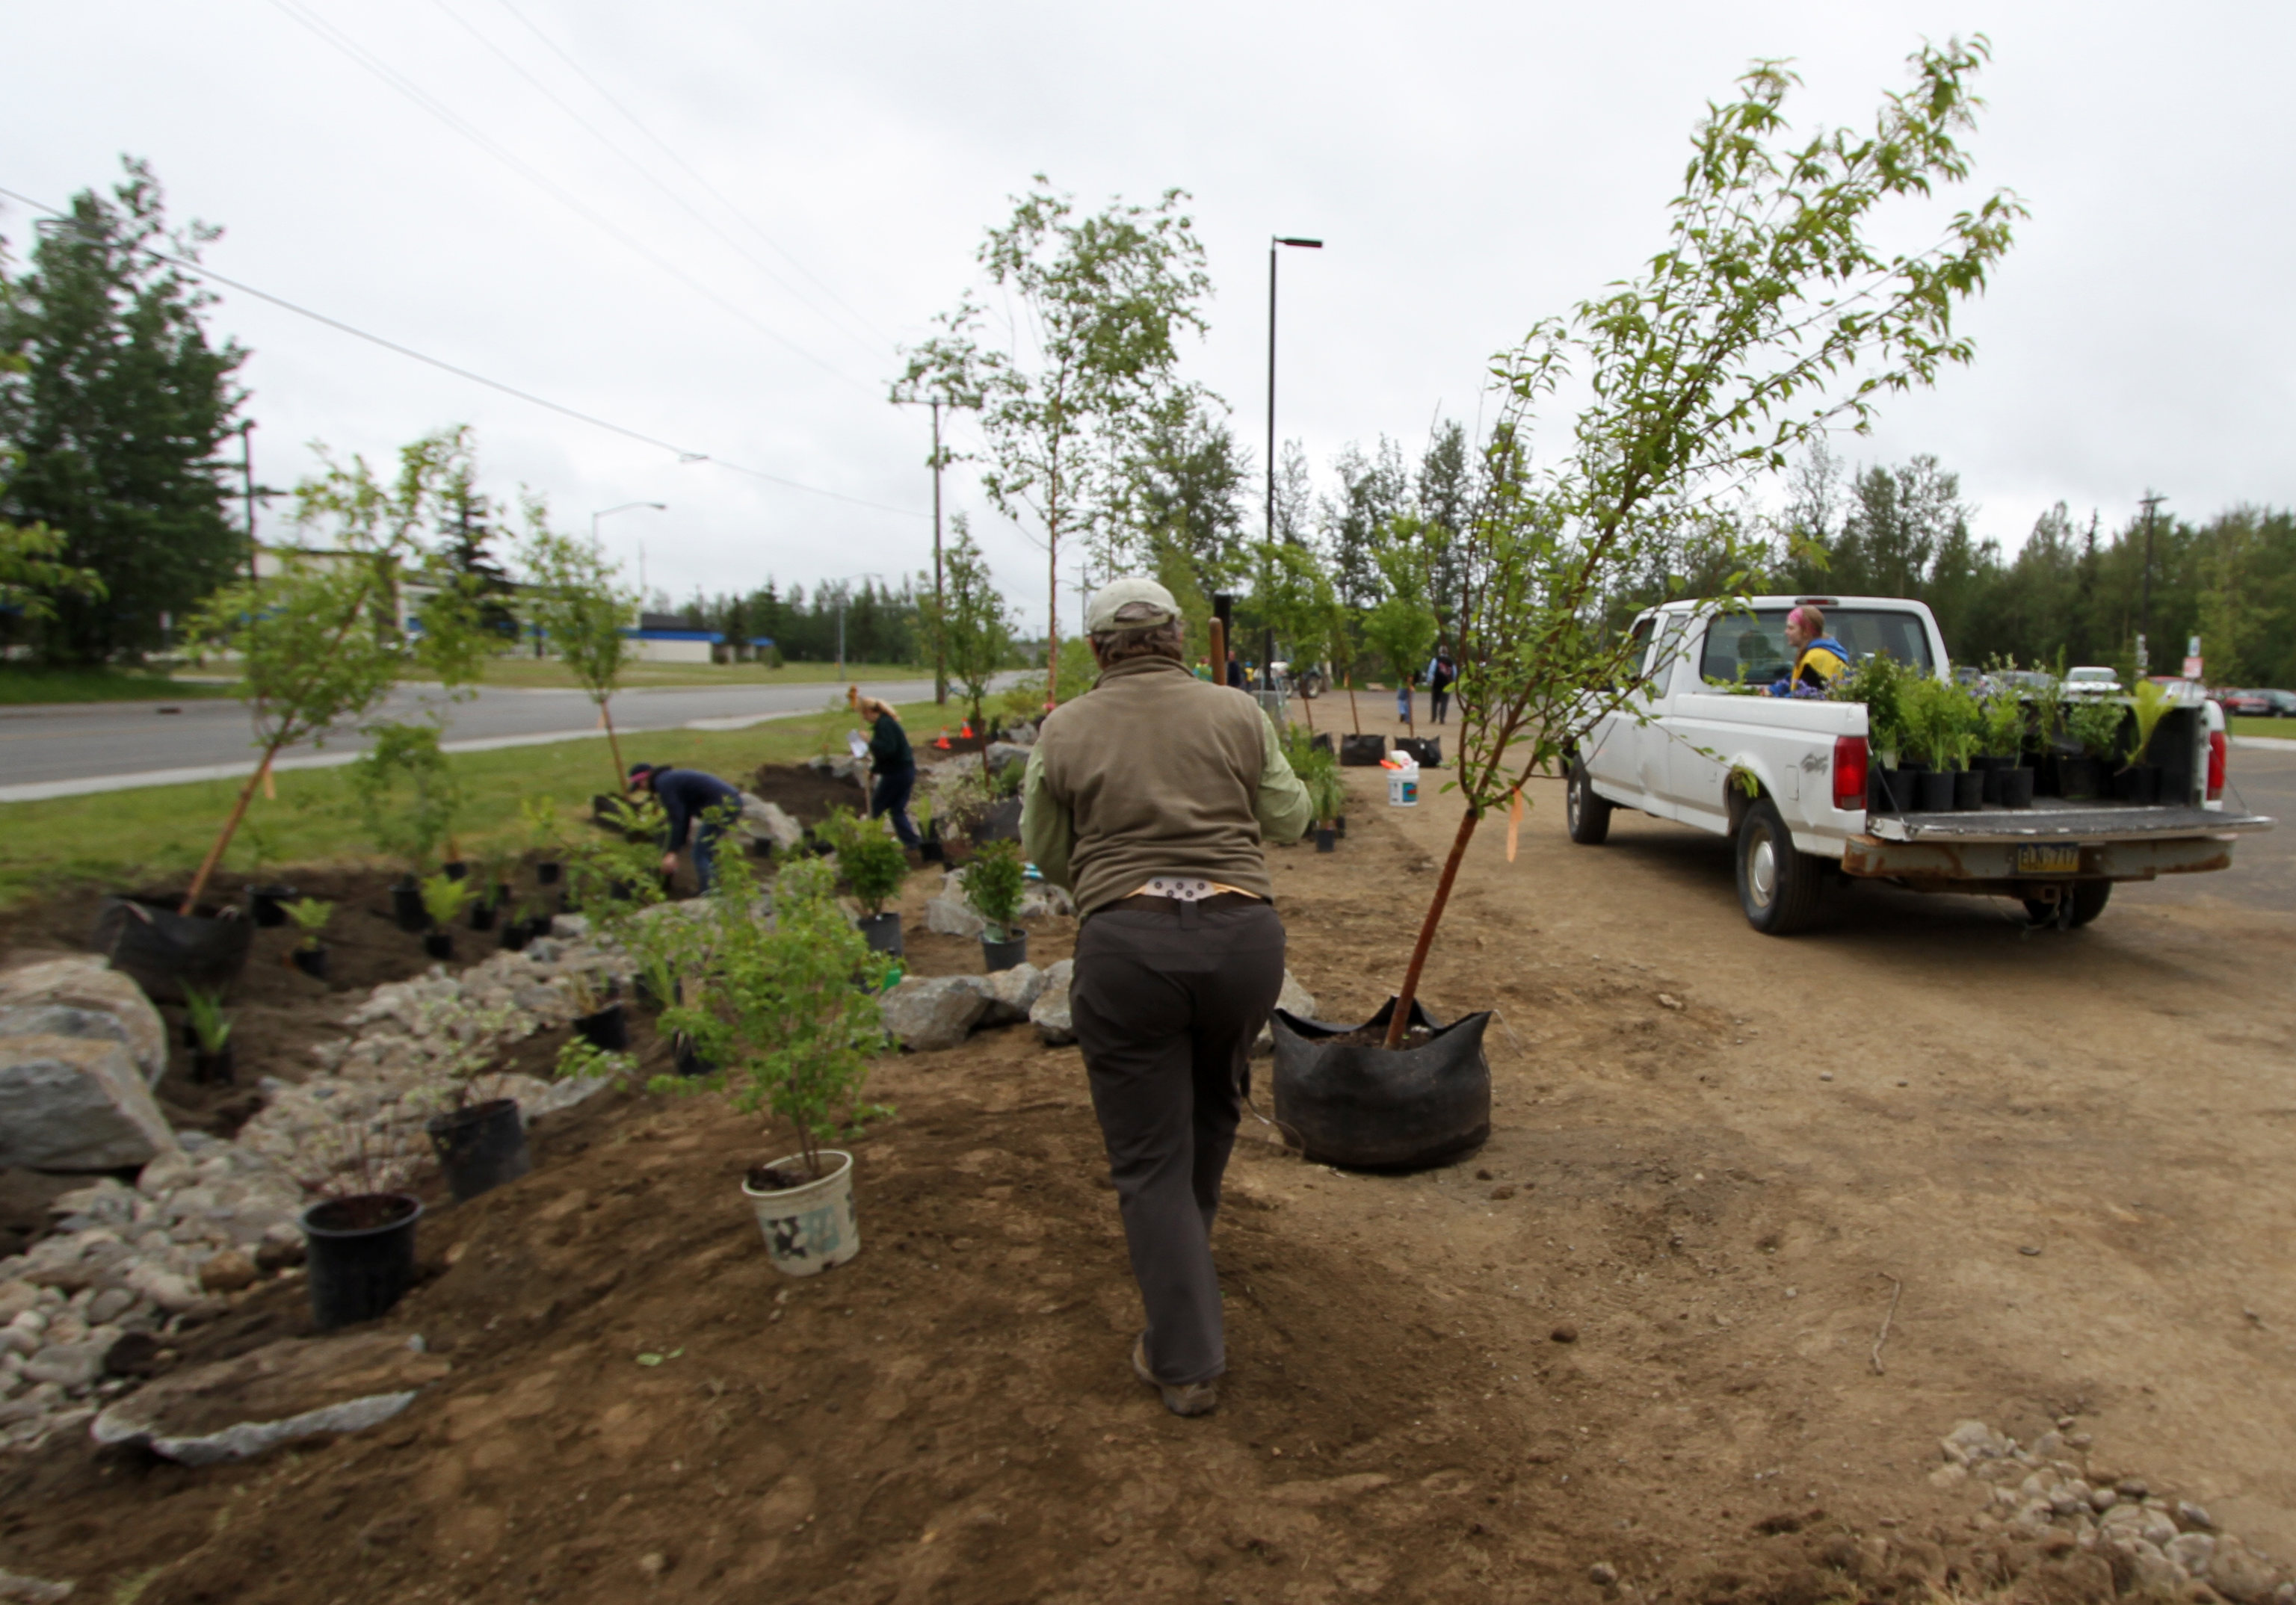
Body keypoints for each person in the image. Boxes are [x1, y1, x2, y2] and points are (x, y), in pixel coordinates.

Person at [1022, 578, 1312, 1418]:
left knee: (1149, 1157)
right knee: (1212, 1114)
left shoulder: (1064, 727)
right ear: (1180, 639)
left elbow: (1045, 847)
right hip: (1242, 942)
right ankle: (1186, 1262)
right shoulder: (1237, 713)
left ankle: (1182, 1359)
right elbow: (1290, 819)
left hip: (1129, 948)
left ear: (1097, 649)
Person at [627, 761, 741, 893]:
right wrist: (676, 850)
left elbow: (677, 819)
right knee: (705, 849)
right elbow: (685, 817)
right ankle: (715, 888)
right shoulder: (668, 779)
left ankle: (710, 893)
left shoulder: (664, 784)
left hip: (723, 805)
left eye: (639, 786)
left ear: (643, 781)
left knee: (700, 852)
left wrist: (671, 853)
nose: (642, 789)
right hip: (729, 801)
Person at [854, 693, 921, 848]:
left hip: (897, 773)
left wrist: (870, 741)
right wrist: (874, 770)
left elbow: (888, 750)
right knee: (897, 809)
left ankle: (871, 842)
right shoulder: (885, 724)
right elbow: (884, 756)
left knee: (876, 806)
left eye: (864, 714)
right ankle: (912, 842)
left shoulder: (885, 725)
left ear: (870, 712)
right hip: (904, 771)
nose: (864, 718)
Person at [1770, 604, 1850, 698]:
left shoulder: (1814, 659)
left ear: (1806, 632)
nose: (1786, 632)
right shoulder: (1819, 652)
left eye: (1791, 628)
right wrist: (1773, 690)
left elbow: (1803, 695)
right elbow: (1793, 680)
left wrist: (1777, 700)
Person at [1426, 649, 1457, 725]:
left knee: (1434, 701)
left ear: (1440, 652)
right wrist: (1453, 681)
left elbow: (1431, 670)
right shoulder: (1451, 661)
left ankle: (1433, 717)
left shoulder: (1436, 659)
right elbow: (1455, 672)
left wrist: (1430, 681)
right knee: (1444, 702)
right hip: (1447, 684)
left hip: (1437, 683)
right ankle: (1442, 718)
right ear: (1447, 652)